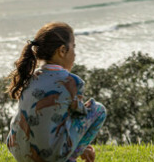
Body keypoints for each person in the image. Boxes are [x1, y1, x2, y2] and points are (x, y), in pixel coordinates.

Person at [6, 22, 106, 162]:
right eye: (73, 48)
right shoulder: (72, 82)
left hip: (19, 152)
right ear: (62, 50)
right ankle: (70, 159)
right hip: (50, 156)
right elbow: (78, 119)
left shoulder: (28, 78)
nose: (75, 55)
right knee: (99, 110)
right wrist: (82, 147)